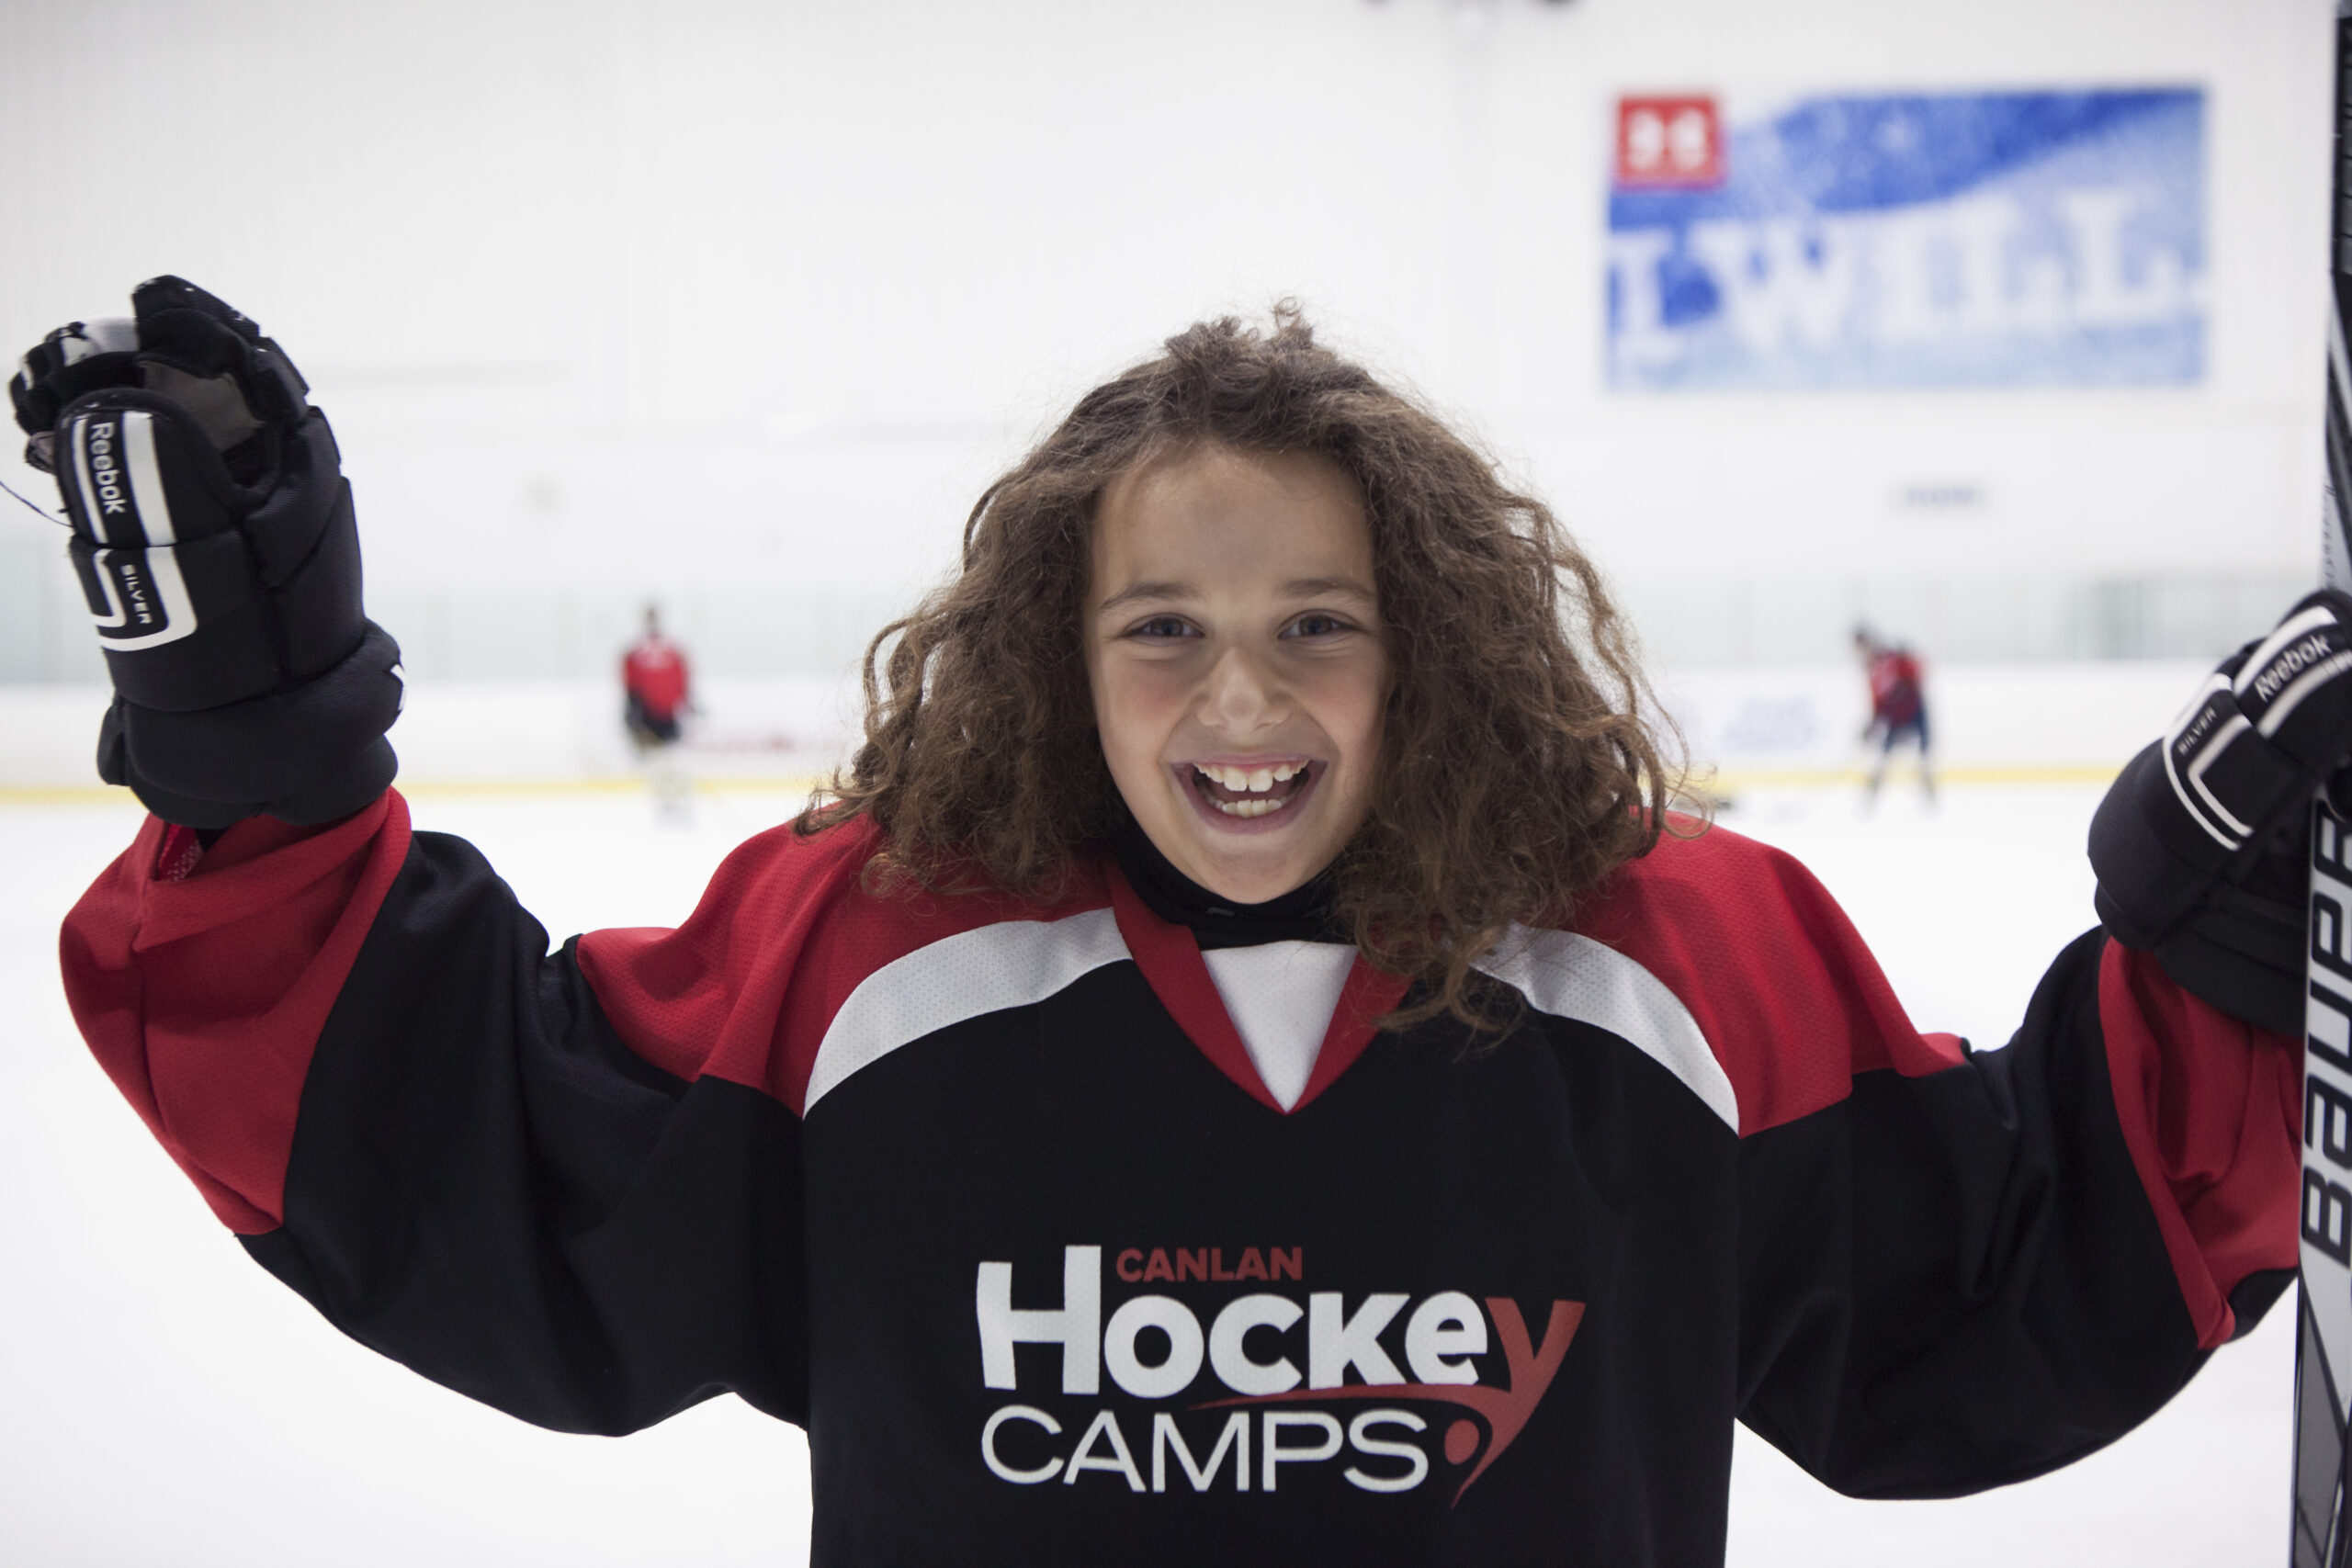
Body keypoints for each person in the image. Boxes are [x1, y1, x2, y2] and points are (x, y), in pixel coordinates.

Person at [17, 279, 2334, 1566]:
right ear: (1056, 645)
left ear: (1424, 636)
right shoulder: (863, 952)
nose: (1240, 698)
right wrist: (260, 753)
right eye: (1161, 629)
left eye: (1316, 620)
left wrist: (2212, 957)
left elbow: (1993, 1272)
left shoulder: (1675, 958)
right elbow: (492, 1169)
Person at [622, 604, 694, 818]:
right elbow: (630, 681)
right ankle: (665, 803)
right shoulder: (636, 651)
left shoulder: (672, 649)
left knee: (673, 760)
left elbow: (682, 677)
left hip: (669, 715)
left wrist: (687, 702)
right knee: (657, 763)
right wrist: (632, 708)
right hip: (648, 716)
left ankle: (679, 800)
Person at [1855, 625, 1935, 806]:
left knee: (1924, 755)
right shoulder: (1871, 670)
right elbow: (1877, 700)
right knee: (1883, 756)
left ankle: (1929, 794)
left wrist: (1905, 687)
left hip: (1914, 710)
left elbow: (1915, 672)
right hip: (1894, 717)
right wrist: (1873, 723)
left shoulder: (1893, 656)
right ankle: (1871, 795)